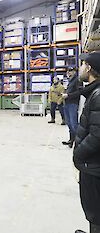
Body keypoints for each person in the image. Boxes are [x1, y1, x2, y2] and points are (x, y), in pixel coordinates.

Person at [73, 52, 100, 233]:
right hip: (92, 163)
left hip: (93, 164)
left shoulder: (98, 95)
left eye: (83, 64)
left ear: (89, 68)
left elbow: (97, 135)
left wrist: (78, 154)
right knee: (93, 209)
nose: (80, 68)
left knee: (95, 210)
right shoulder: (93, 92)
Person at [62, 67, 82, 148]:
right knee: (69, 123)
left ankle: (79, 142)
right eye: (68, 71)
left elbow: (79, 92)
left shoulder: (77, 80)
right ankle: (71, 140)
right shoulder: (70, 81)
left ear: (74, 72)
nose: (68, 72)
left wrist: (68, 95)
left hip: (73, 104)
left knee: (74, 124)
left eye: (70, 71)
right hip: (67, 103)